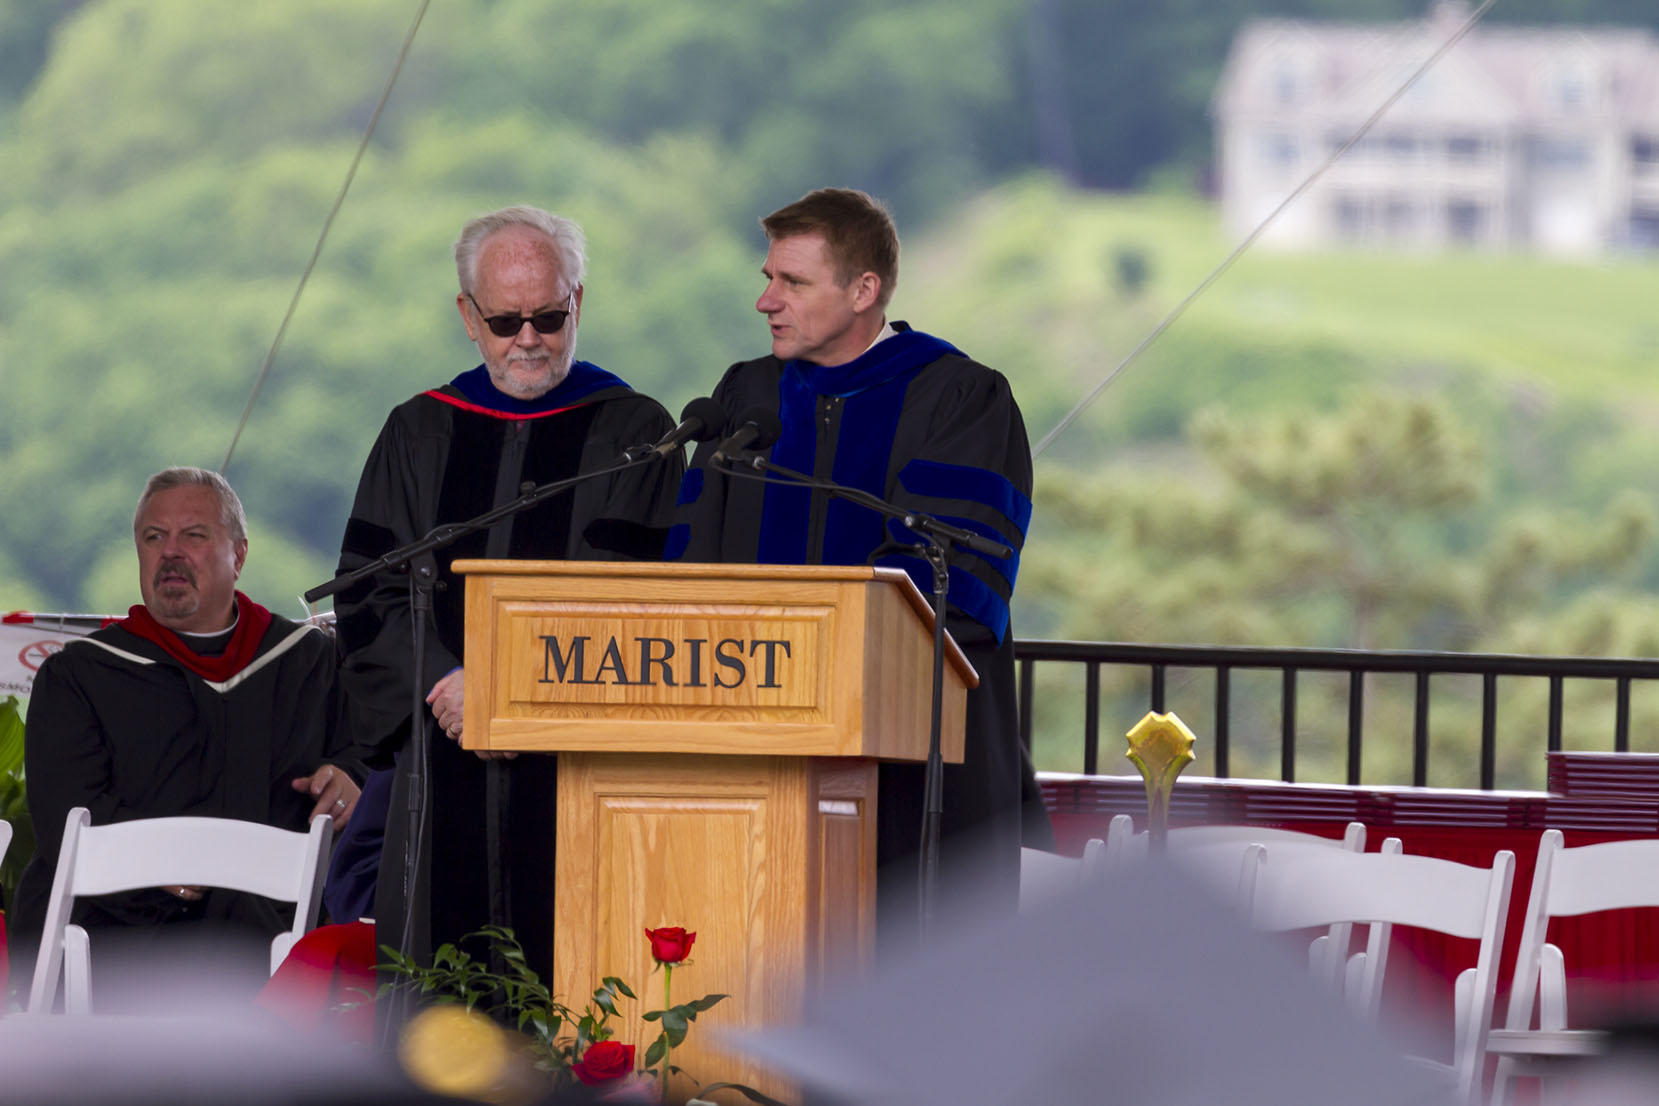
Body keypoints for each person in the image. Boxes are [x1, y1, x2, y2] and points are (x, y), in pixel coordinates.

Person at [669, 187, 1051, 944]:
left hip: (915, 760)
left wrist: (809, 659)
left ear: (863, 290)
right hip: (755, 751)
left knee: (908, 968)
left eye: (792, 282)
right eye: (769, 278)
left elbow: (956, 581)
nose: (765, 301)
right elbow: (689, 557)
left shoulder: (960, 397)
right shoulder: (747, 397)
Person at [334, 205, 684, 987]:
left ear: (577, 303)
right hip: (442, 770)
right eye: (503, 321)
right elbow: (368, 596)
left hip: (582, 771)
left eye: (548, 317)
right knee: (441, 1000)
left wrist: (516, 692)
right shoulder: (418, 433)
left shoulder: (638, 437)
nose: (528, 338)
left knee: (579, 993)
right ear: (468, 317)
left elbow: (651, 606)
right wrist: (446, 682)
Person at [11, 467, 363, 999]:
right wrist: (158, 863)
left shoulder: (308, 662)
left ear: (239, 555)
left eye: (193, 535)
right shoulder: (80, 674)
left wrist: (349, 777)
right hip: (118, 934)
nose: (170, 552)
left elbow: (362, 756)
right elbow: (66, 814)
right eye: (154, 537)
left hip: (270, 933)